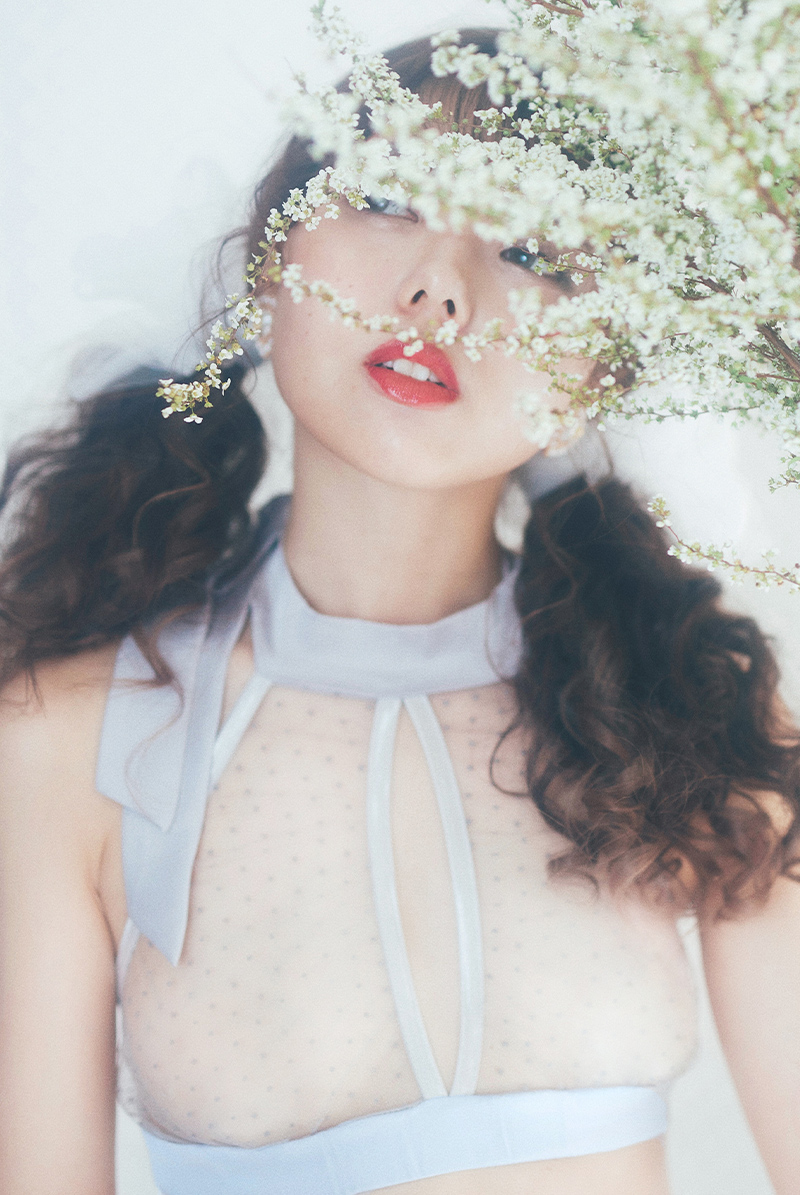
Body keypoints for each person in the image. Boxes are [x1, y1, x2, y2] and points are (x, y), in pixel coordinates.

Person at [0, 27, 798, 1195]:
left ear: (603, 371)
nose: (438, 286)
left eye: (531, 250)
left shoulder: (692, 709)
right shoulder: (69, 739)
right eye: (384, 199)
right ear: (267, 259)